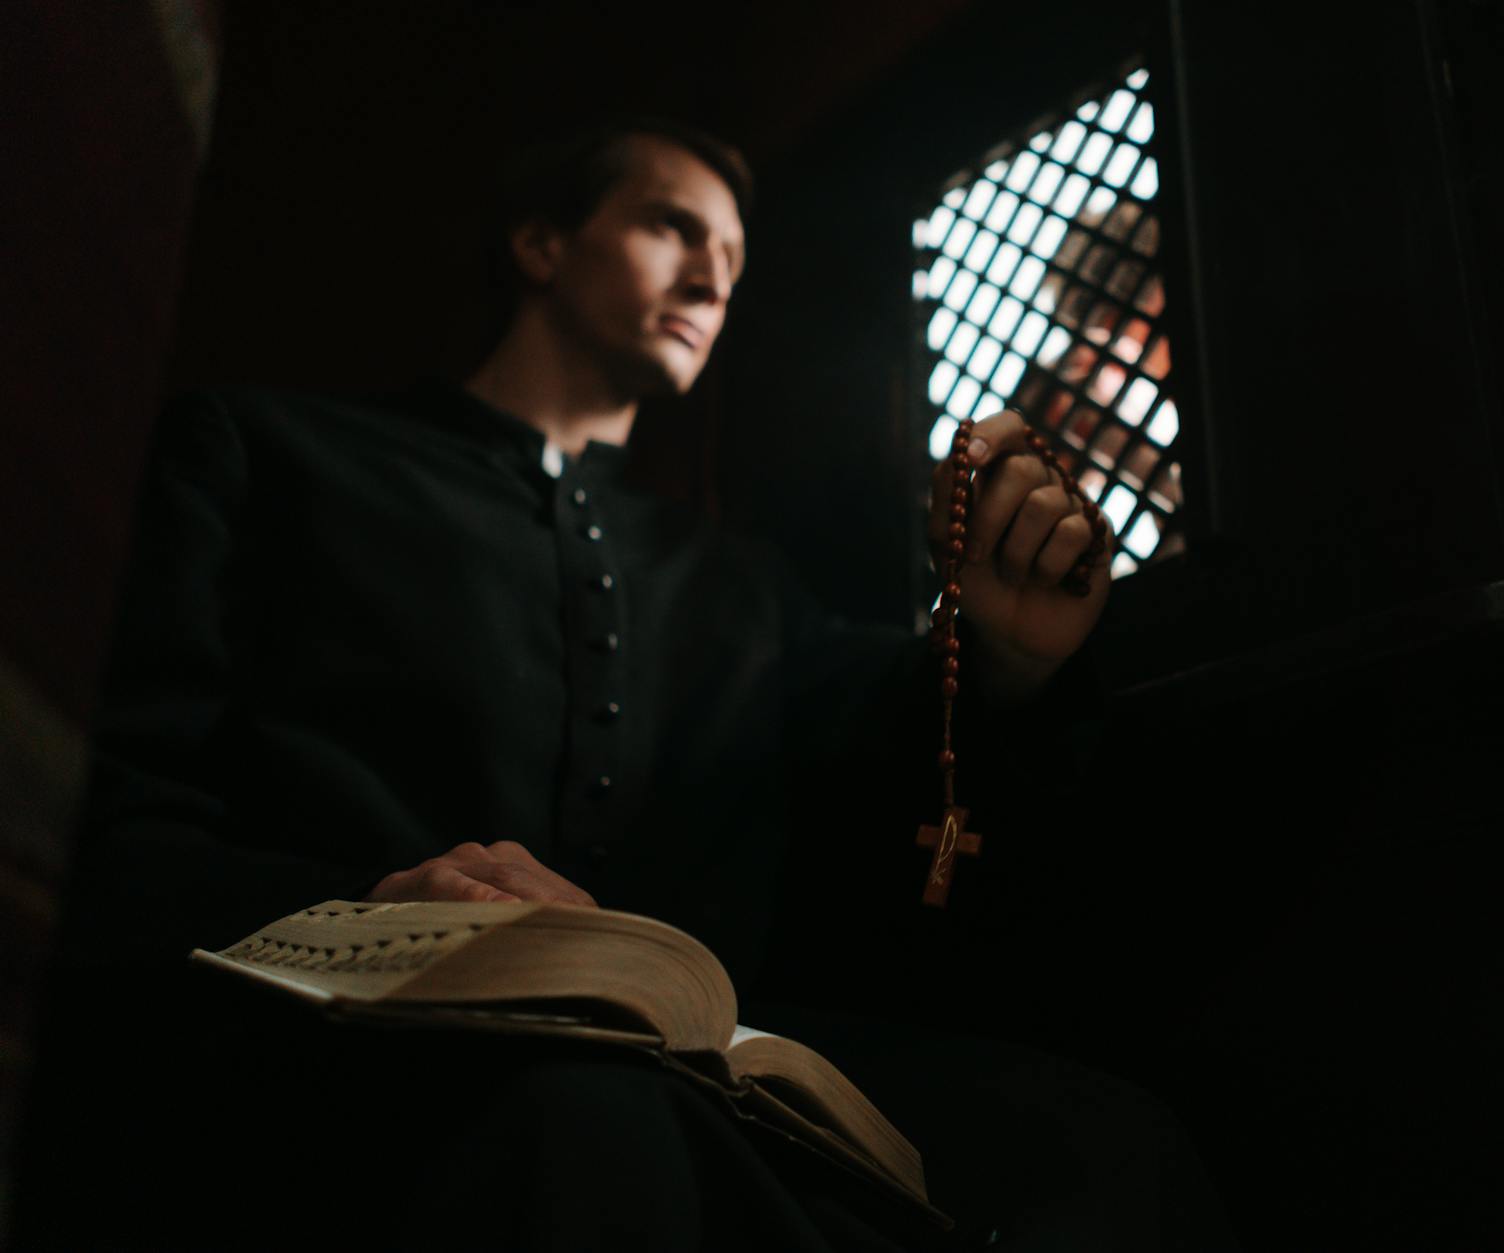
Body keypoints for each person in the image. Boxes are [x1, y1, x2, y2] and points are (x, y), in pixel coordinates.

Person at [17, 117, 1237, 1251]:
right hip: (344, 1039)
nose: (713, 280)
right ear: (542, 242)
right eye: (671, 227)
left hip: (703, 1056)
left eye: (733, 256)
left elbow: (889, 755)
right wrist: (378, 896)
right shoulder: (261, 453)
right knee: (580, 1120)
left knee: (1105, 1141)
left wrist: (1006, 648)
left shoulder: (741, 585)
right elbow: (103, 817)